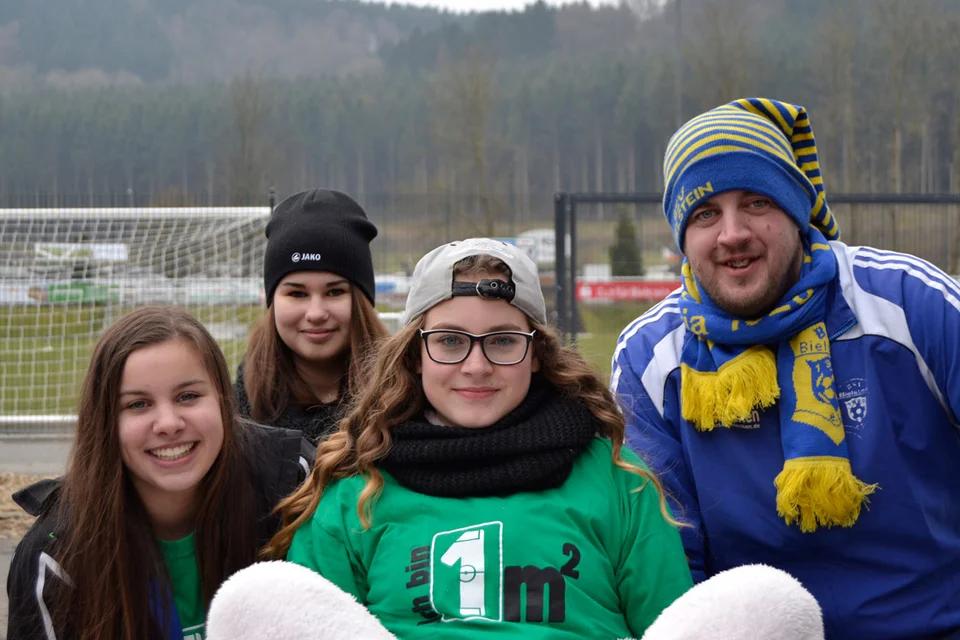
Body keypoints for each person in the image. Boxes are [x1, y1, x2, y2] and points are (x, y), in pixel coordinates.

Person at [611, 98, 960, 639]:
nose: (732, 233)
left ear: (797, 212)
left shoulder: (912, 305)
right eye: (705, 213)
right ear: (683, 235)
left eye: (756, 202)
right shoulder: (648, 359)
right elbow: (668, 562)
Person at [263, 238, 693, 638]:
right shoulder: (354, 494)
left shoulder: (619, 480)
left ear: (538, 355)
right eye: (450, 341)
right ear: (415, 355)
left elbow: (674, 627)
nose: (476, 366)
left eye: (503, 342)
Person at [6, 306, 315, 640]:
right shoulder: (56, 553)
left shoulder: (292, 481)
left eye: (188, 396)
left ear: (225, 402)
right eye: (138, 404)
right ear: (105, 422)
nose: (168, 424)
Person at [236, 188, 389, 444]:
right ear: (272, 300)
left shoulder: (407, 401)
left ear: (362, 301)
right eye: (297, 294)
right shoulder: (234, 414)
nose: (316, 314)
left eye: (335, 292)